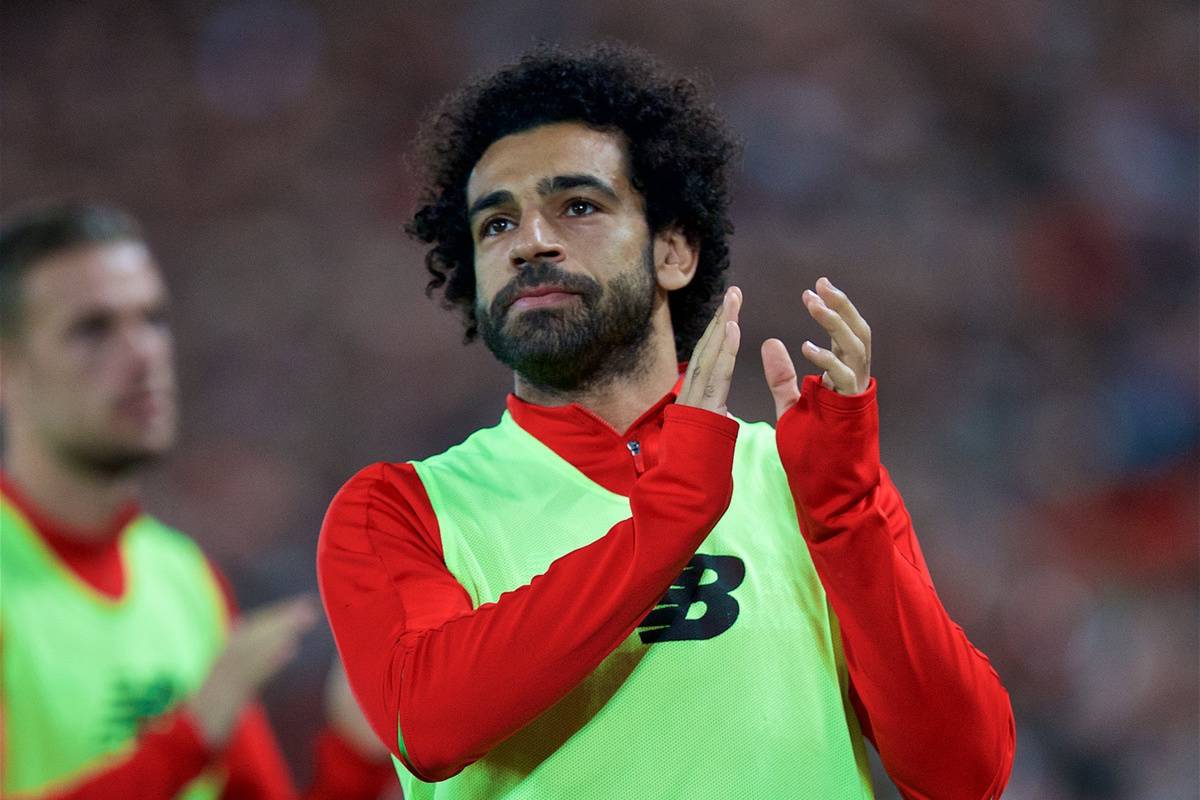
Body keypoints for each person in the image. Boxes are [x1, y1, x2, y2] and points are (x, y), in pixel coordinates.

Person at [318, 44, 1015, 799]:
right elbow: (428, 724)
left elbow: (964, 776)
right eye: (495, 224)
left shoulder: (808, 483)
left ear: (674, 251)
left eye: (577, 206)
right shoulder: (400, 510)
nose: (529, 242)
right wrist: (672, 510)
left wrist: (849, 521)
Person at [0, 202, 394, 799]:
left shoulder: (184, 578)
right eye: (92, 329)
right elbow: (194, 739)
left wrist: (356, 752)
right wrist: (189, 736)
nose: (143, 354)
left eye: (152, 319)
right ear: (8, 366)